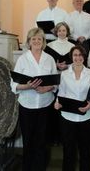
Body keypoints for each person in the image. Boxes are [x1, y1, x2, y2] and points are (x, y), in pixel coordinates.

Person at [10, 28, 57, 171]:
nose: (37, 41)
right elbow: (13, 84)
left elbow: (55, 82)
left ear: (43, 42)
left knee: (42, 141)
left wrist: (46, 88)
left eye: (40, 39)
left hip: (45, 105)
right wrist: (27, 86)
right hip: (27, 105)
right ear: (29, 42)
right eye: (34, 39)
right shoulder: (22, 59)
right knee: (28, 140)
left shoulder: (49, 59)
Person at [54, 45, 90, 171]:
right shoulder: (64, 74)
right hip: (68, 117)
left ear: (84, 57)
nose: (77, 57)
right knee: (68, 151)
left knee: (86, 150)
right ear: (71, 57)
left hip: (86, 116)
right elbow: (61, 93)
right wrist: (57, 103)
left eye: (80, 55)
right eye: (75, 55)